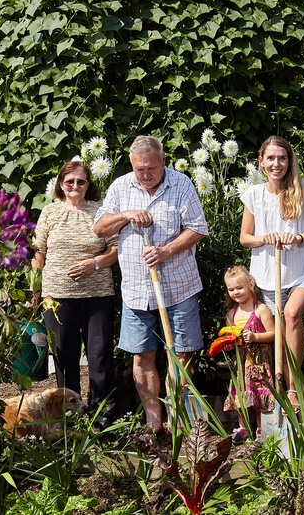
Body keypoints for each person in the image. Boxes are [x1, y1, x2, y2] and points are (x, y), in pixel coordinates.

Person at [93, 136, 209, 434]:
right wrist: (125, 215)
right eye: (139, 169)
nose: (145, 175)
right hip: (136, 289)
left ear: (163, 160)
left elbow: (198, 228)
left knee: (180, 353)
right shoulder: (121, 187)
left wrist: (166, 251)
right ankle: (153, 423)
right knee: (142, 355)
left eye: (152, 168)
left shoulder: (181, 184)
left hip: (179, 285)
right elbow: (99, 226)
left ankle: (177, 420)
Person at [239, 135, 304, 409]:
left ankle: (293, 387)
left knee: (292, 314)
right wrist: (263, 238)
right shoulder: (254, 195)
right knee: (276, 332)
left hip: (303, 272)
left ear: (290, 161)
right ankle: (276, 392)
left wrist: (300, 238)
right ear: (261, 162)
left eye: (282, 158)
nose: (276, 163)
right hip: (267, 276)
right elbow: (244, 237)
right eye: (271, 158)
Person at [32, 161, 119, 426]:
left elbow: (116, 250)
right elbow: (39, 253)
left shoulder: (101, 211)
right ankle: (69, 421)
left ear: (88, 184)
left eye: (81, 181)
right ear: (60, 184)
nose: (75, 186)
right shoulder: (49, 213)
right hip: (57, 297)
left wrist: (93, 264)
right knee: (64, 357)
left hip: (98, 295)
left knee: (100, 355)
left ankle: (102, 419)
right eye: (70, 181)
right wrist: (35, 291)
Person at [219, 266, 276, 444]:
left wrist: (255, 337)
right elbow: (230, 338)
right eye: (231, 289)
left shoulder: (261, 310)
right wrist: (228, 346)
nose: (235, 292)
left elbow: (274, 333)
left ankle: (260, 428)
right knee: (240, 395)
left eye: (239, 288)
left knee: (260, 395)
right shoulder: (231, 313)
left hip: (259, 363)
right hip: (241, 365)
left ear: (251, 285)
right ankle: (242, 427)